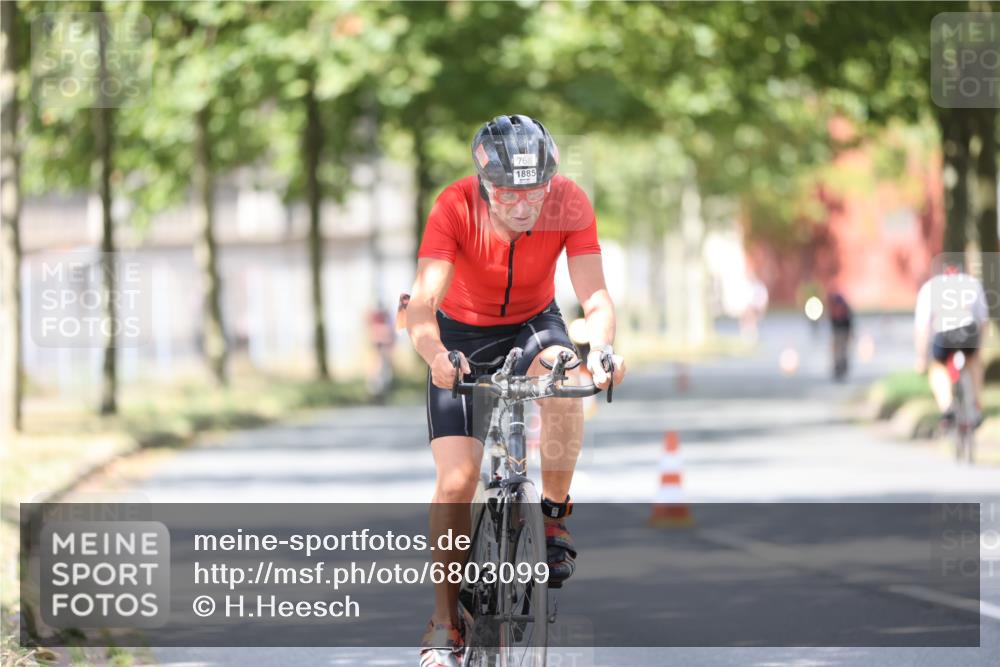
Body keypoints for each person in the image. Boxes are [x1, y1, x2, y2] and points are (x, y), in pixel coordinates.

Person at [406, 114, 626, 667]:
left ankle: (552, 513)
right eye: (507, 194)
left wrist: (601, 349)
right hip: (458, 335)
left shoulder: (570, 202)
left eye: (534, 192)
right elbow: (422, 304)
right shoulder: (453, 206)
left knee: (567, 375)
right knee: (456, 481)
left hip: (532, 322)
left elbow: (594, 297)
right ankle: (445, 621)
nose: (523, 207)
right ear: (484, 186)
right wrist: (436, 358)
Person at [914, 262, 989, 424]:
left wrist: (921, 359)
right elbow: (983, 321)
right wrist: (979, 349)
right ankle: (975, 403)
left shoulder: (930, 287)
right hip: (968, 332)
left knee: (938, 367)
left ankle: (946, 405)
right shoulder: (973, 283)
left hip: (943, 333)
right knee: (973, 362)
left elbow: (923, 327)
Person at [828, 292, 853, 381]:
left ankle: (842, 367)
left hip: (842, 332)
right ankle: (838, 368)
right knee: (838, 351)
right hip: (838, 332)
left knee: (842, 350)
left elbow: (848, 323)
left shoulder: (844, 310)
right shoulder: (835, 310)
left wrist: (849, 334)